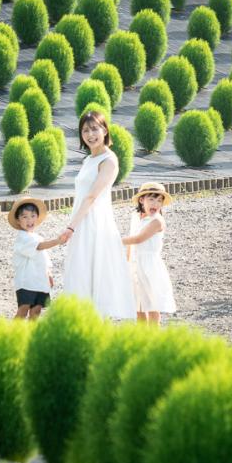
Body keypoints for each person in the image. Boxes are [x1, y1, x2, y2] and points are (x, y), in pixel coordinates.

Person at [60, 110, 135, 321]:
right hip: (81, 219)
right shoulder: (88, 160)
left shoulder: (109, 160)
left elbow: (92, 196)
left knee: (94, 271)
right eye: (85, 130)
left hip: (94, 223)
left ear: (104, 130)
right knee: (80, 270)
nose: (90, 134)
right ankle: (82, 322)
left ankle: (95, 323)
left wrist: (71, 226)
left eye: (94, 128)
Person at [8, 196, 69, 320]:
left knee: (36, 311)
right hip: (26, 281)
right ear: (18, 220)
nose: (29, 220)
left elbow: (43, 258)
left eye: (33, 216)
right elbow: (39, 247)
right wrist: (57, 241)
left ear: (37, 217)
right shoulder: (22, 238)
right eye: (24, 217)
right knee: (23, 309)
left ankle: (31, 334)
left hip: (40, 281)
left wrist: (48, 273)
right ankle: (13, 334)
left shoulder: (37, 236)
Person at [123, 181, 175, 324]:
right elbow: (131, 241)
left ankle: (154, 339)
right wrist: (126, 264)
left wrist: (114, 241)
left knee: (152, 306)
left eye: (159, 201)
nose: (155, 204)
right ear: (141, 200)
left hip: (149, 266)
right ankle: (142, 340)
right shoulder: (136, 216)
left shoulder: (157, 221)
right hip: (134, 265)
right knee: (138, 307)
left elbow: (138, 239)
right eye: (151, 199)